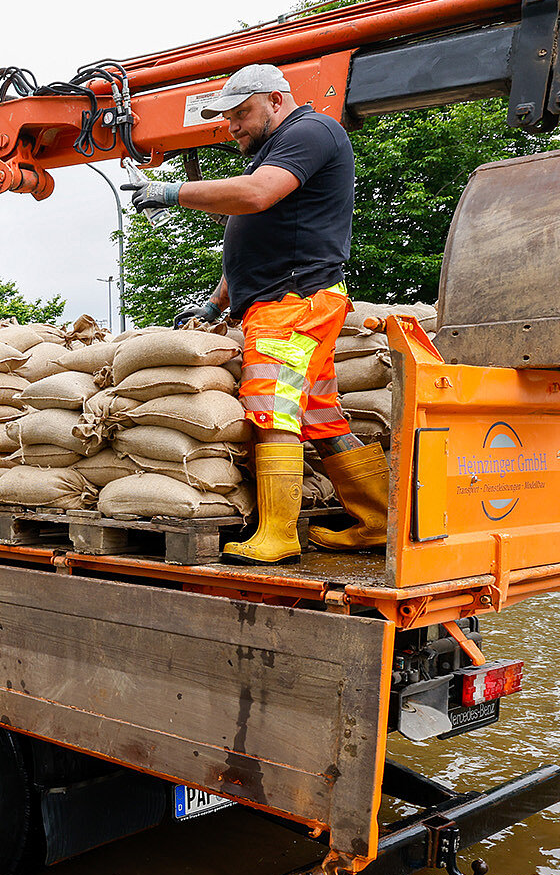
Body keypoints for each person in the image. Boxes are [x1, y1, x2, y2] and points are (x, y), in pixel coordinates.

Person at [123, 62, 390, 566]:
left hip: (293, 302)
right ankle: (376, 521)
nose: (233, 126)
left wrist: (171, 192)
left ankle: (277, 534)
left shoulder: (310, 131)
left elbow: (255, 196)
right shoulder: (278, 148)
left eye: (241, 113)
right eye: (227, 119)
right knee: (318, 415)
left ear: (275, 99)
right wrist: (217, 303)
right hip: (289, 298)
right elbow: (256, 239)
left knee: (272, 407)